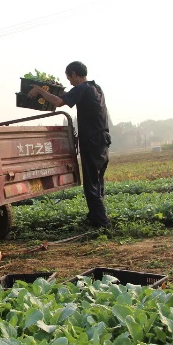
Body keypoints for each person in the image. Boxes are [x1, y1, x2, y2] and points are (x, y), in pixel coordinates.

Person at [28, 61, 112, 228]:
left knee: (91, 185)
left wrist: (39, 90)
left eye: (69, 78)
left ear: (74, 74)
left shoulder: (82, 89)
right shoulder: (96, 88)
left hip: (92, 142)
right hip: (102, 141)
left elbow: (59, 102)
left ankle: (102, 224)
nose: (69, 82)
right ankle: (94, 217)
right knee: (98, 182)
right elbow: (68, 96)